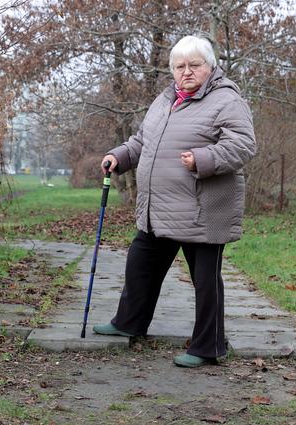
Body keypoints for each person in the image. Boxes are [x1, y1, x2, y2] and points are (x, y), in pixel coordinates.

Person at [93, 34, 256, 368]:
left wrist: (203, 158)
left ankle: (209, 346)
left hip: (202, 208)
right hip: (161, 207)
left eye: (194, 65)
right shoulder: (166, 99)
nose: (186, 72)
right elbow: (142, 141)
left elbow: (243, 144)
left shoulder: (225, 100)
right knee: (140, 263)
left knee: (205, 281)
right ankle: (129, 322)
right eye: (179, 66)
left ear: (210, 66)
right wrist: (119, 156)